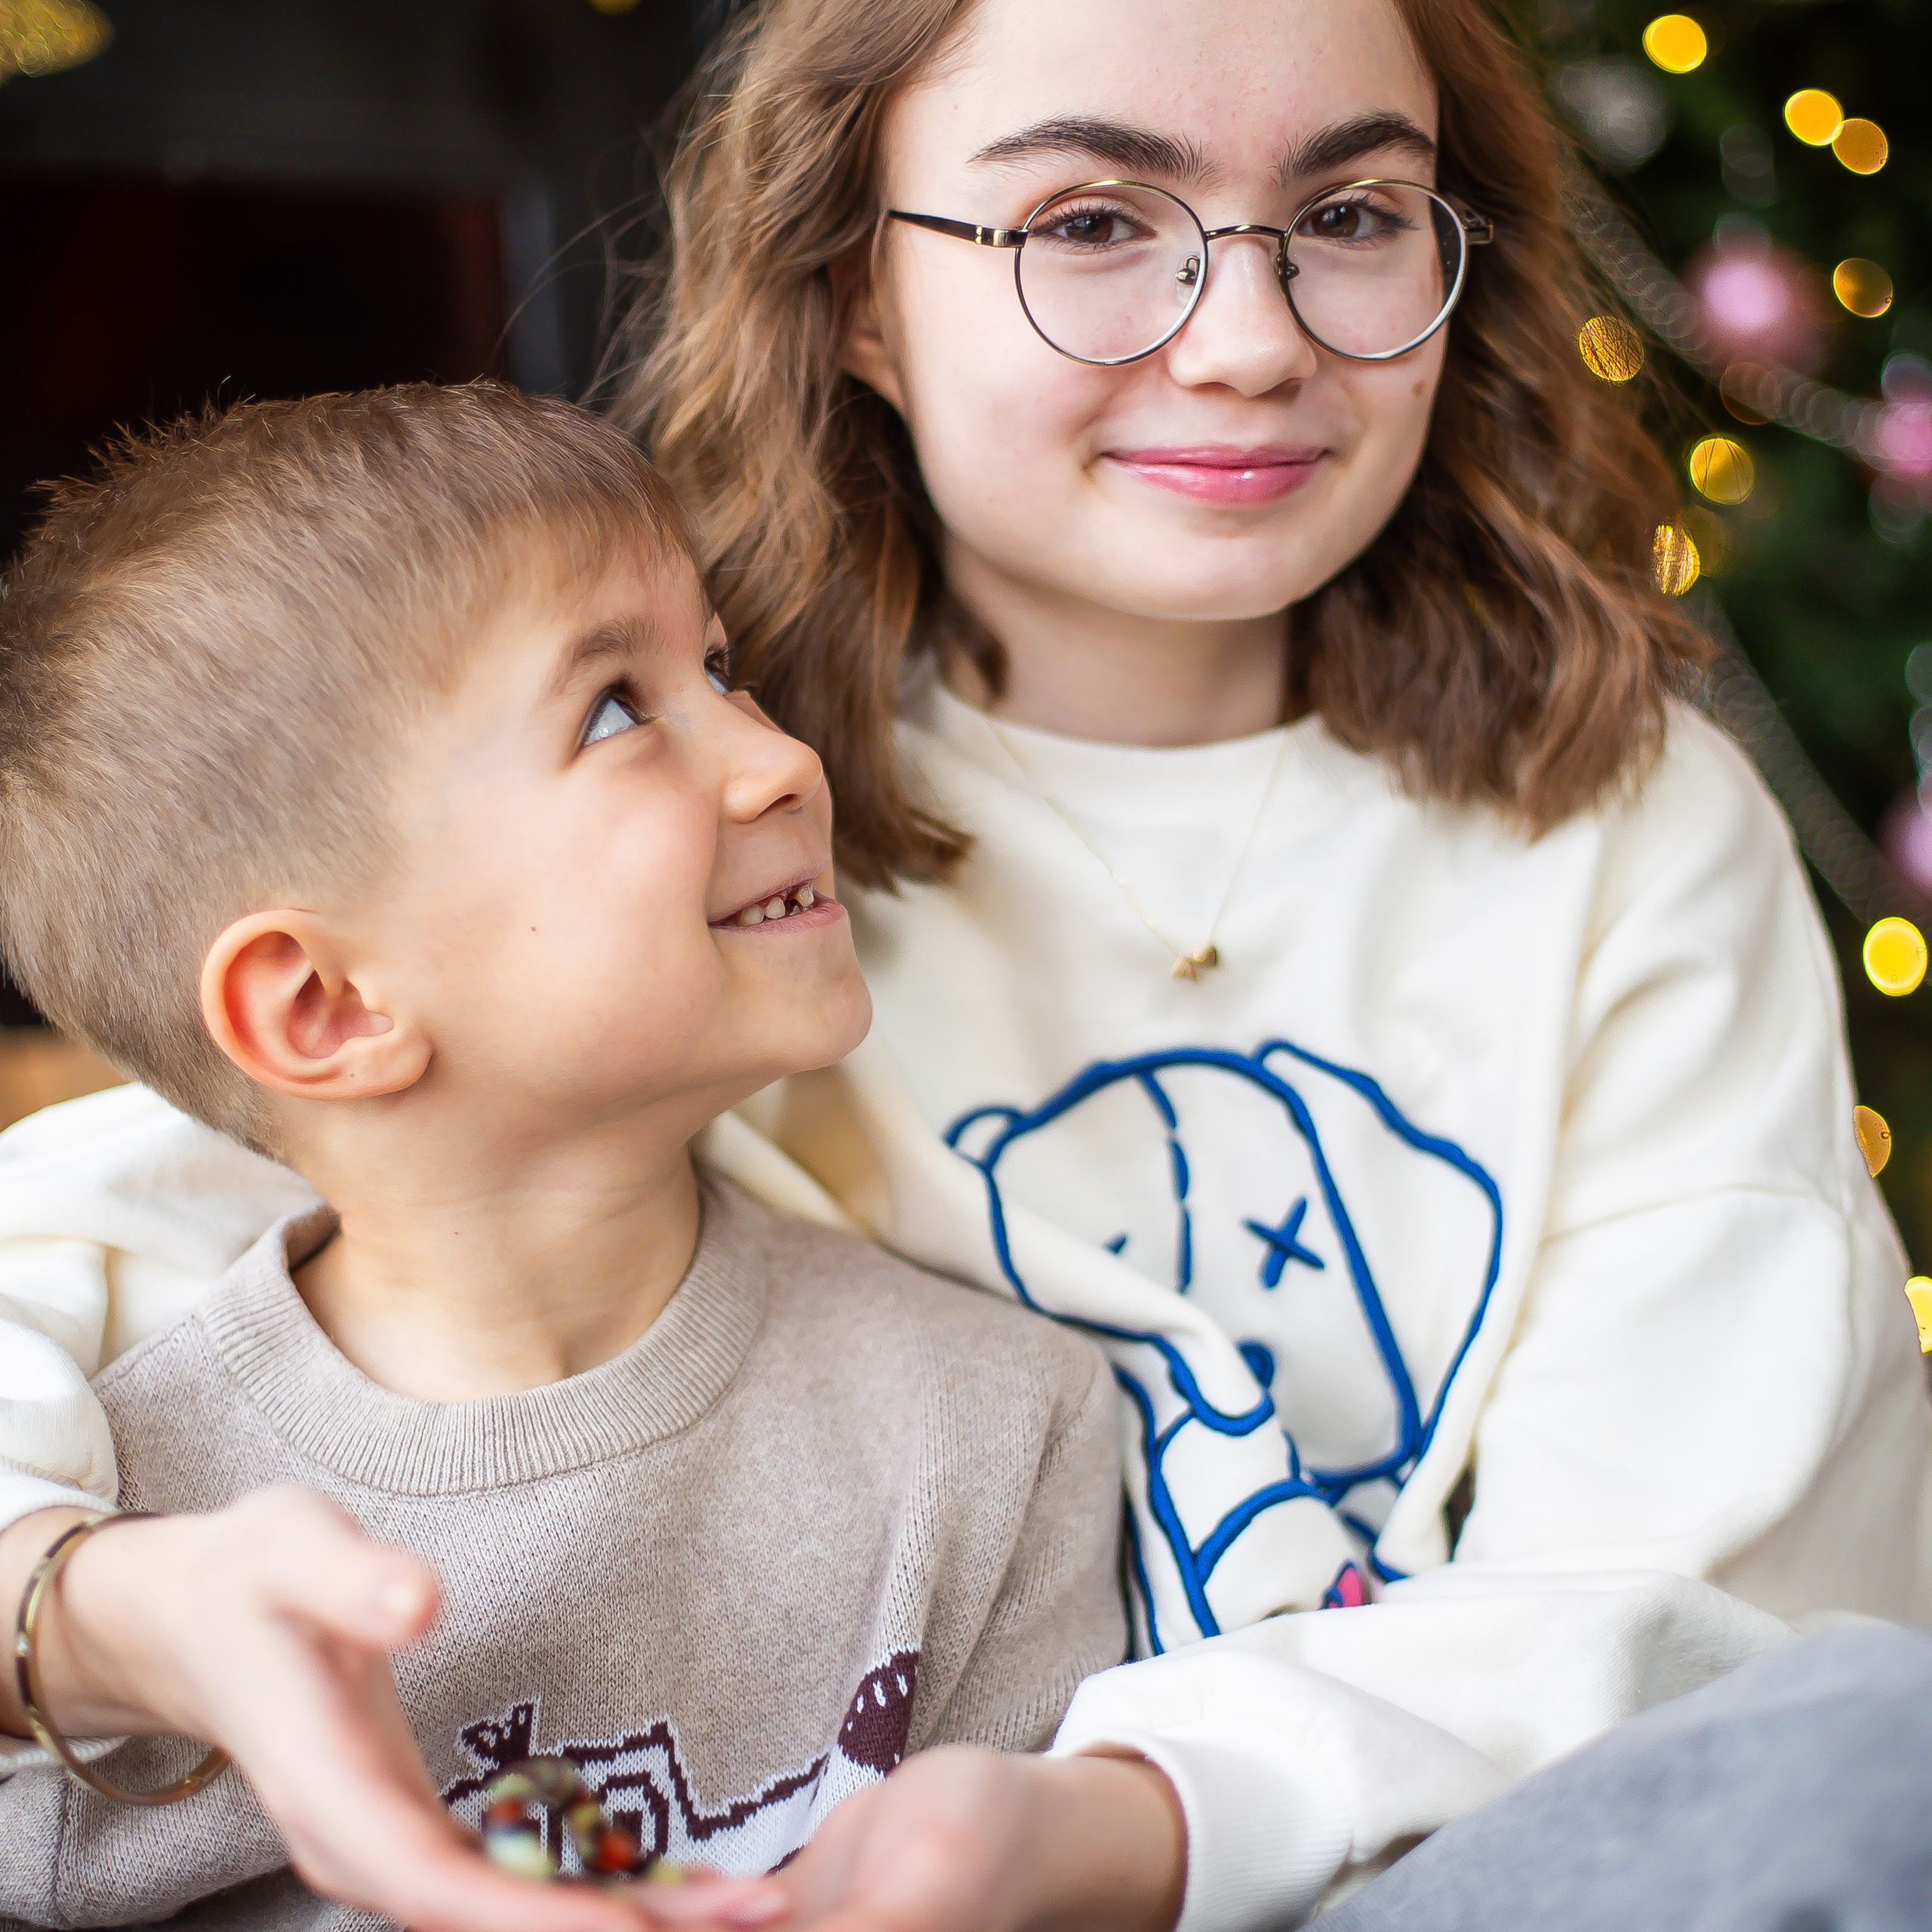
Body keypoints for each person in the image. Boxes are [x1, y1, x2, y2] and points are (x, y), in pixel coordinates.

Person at [0, 0, 1927, 1926]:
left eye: (1350, 212)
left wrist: (1121, 1820)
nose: (1250, 342)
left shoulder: (1624, 818)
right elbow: (163, 1190)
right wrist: (85, 1608)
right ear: (848, 286)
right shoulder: (679, 838)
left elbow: (1704, 1614)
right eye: (1090, 221)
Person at [0, 386, 1143, 1932]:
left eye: (721, 671)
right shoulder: (114, 1512)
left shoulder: (997, 1426)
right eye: (617, 708)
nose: (782, 759)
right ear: (329, 1005)